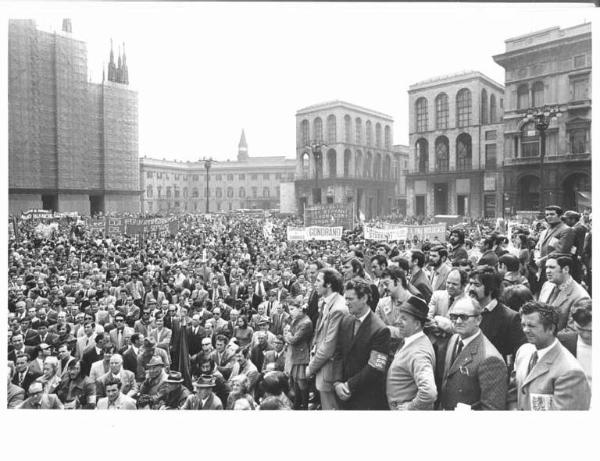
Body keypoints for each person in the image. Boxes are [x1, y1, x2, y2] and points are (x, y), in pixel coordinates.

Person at [510, 301, 590, 411]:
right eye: (523, 325)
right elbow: (513, 394)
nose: (525, 330)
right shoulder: (523, 352)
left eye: (531, 326)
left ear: (551, 328)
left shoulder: (570, 372)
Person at [437, 297, 507, 411]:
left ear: (478, 320)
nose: (458, 321)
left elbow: (492, 410)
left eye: (464, 317)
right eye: (454, 316)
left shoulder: (490, 359)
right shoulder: (454, 339)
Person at [332, 278, 390, 410]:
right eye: (345, 298)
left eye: (350, 299)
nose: (346, 303)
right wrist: (337, 382)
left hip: (365, 398)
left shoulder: (380, 330)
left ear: (364, 298)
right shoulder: (346, 321)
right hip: (343, 394)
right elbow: (338, 353)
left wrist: (348, 386)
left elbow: (374, 368)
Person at [306, 268, 348, 410]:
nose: (315, 284)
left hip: (329, 371)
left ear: (329, 284)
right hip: (323, 367)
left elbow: (329, 346)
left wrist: (310, 368)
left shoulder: (338, 308)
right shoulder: (327, 303)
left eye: (318, 280)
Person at [386, 296, 437, 410]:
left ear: (417, 324)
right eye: (399, 316)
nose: (397, 321)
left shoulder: (419, 353)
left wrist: (410, 407)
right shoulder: (412, 339)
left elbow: (429, 392)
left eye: (403, 318)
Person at [468, 267, 526, 364]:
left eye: (477, 285)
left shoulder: (510, 318)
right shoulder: (467, 311)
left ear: (490, 289)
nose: (471, 288)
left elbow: (517, 355)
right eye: (470, 284)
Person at [538, 253, 590, 333]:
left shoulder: (580, 297)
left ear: (566, 269)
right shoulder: (547, 285)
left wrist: (545, 339)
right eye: (546, 267)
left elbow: (572, 333)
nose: (547, 271)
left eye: (552, 267)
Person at [284, 296, 313, 410]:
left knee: (301, 382)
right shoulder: (297, 319)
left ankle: (304, 406)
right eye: (289, 309)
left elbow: (294, 340)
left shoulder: (305, 322)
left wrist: (287, 335)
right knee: (295, 380)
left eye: (292, 309)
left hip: (302, 355)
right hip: (295, 354)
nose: (290, 312)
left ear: (300, 308)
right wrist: (288, 334)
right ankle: (297, 403)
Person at [557, 299, 591, 387]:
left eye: (591, 331)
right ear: (573, 323)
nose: (586, 335)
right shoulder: (562, 342)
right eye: (580, 329)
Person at [427, 268, 468, 335]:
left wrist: (437, 318)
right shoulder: (437, 295)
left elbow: (457, 328)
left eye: (454, 284)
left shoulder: (467, 303)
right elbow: (428, 318)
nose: (450, 286)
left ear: (463, 286)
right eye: (448, 282)